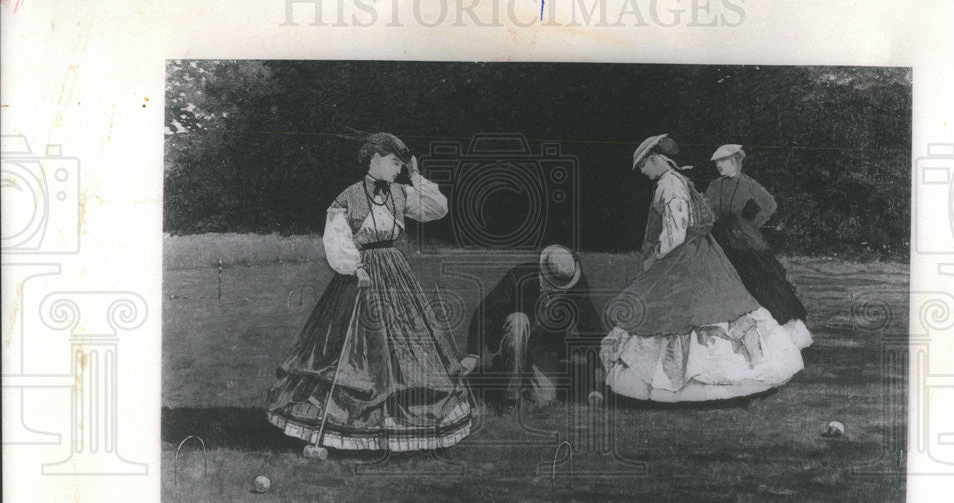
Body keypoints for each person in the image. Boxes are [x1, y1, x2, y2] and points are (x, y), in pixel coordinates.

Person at [267, 132, 474, 456]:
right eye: (394, 163)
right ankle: (341, 424)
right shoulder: (347, 196)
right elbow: (336, 238)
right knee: (353, 349)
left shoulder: (401, 192)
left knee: (408, 345)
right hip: (360, 274)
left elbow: (438, 208)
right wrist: (354, 268)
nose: (398, 170)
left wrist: (416, 175)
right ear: (375, 158)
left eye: (401, 166)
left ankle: (402, 423)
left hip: (394, 271)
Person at [600, 134, 804, 402]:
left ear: (654, 159)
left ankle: (686, 382)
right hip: (701, 252)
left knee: (684, 312)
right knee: (706, 308)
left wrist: (654, 259)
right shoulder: (679, 180)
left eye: (643, 165)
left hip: (685, 256)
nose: (642, 172)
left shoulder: (670, 184)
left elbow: (675, 234)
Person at [462, 245, 605, 407]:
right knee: (519, 320)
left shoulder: (576, 286)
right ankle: (511, 397)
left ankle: (509, 368)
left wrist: (596, 386)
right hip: (512, 335)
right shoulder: (519, 276)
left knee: (545, 399)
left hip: (543, 347)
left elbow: (591, 331)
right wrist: (473, 355)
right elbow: (487, 311)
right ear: (543, 272)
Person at [705, 144, 812, 349]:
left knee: (758, 277)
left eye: (723, 161)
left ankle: (771, 331)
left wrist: (751, 225)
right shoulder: (714, 185)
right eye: (717, 163)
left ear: (735, 161)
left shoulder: (748, 184)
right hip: (717, 236)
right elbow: (706, 208)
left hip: (741, 237)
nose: (719, 166)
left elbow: (770, 205)